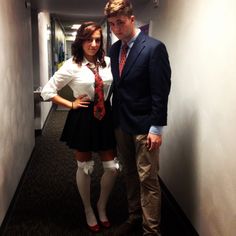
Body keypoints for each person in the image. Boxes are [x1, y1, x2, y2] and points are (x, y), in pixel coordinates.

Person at [41, 21, 120, 233]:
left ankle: (101, 206)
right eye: (89, 40)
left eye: (97, 40)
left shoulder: (108, 62)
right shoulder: (71, 65)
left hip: (105, 116)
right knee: (84, 167)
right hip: (83, 117)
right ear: (81, 41)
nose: (93, 44)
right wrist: (71, 104)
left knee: (112, 168)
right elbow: (47, 91)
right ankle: (88, 209)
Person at [104, 1, 171, 235]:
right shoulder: (114, 50)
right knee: (129, 173)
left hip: (145, 125)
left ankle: (151, 230)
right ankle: (134, 216)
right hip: (121, 123)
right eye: (112, 24)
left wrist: (157, 128)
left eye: (120, 23)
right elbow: (120, 87)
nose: (116, 29)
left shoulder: (154, 48)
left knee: (148, 180)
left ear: (132, 19)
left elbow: (160, 91)